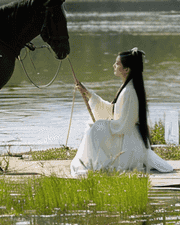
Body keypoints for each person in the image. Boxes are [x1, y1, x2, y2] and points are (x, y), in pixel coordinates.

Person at [70, 48, 173, 176]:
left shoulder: (129, 91)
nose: (114, 66)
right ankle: (94, 163)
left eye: (117, 63)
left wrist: (102, 125)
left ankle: (96, 164)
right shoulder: (128, 88)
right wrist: (89, 94)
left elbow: (124, 125)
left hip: (128, 142)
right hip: (125, 135)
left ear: (126, 69)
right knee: (95, 127)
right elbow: (114, 111)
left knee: (96, 128)